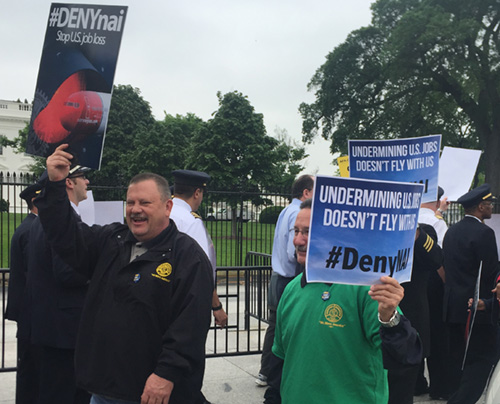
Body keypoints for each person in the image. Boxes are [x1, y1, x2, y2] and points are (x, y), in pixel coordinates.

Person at [35, 144, 214, 404]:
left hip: (152, 393)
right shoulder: (111, 239)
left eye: (145, 202)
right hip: (104, 389)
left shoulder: (188, 257)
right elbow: (67, 238)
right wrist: (55, 185)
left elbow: (190, 327)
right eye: (130, 202)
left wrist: (166, 373)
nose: (135, 209)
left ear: (167, 207)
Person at [271, 199, 422, 403]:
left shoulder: (365, 288)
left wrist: (390, 318)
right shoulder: (292, 288)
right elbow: (281, 360)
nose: (298, 240)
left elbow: (406, 356)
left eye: (307, 232)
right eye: (295, 231)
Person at [17, 166, 91, 404]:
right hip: (64, 332)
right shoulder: (63, 219)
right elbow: (68, 273)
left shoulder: (45, 219)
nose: (87, 182)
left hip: (50, 328)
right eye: (83, 177)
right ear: (68, 183)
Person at [443, 183, 499, 404]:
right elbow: (491, 273)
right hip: (477, 309)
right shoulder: (484, 233)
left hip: (453, 306)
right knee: (481, 362)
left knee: (459, 362)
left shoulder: (451, 230)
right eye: (489, 204)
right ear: (480, 207)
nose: (491, 208)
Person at [256, 174, 314, 387]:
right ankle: (275, 373)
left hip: (278, 276)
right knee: (285, 327)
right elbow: (294, 251)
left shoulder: (285, 210)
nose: (299, 237)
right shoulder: (300, 213)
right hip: (290, 278)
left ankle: (267, 371)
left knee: (276, 326)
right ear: (306, 193)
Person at [387, 223, 443, 404]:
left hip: (409, 318)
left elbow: (436, 259)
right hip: (369, 316)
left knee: (401, 390)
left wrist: (416, 231)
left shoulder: (422, 231)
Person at [169, 169, 227, 328]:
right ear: (197, 193)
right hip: (186, 303)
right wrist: (216, 306)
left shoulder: (162, 213)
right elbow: (203, 269)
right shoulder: (190, 221)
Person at [5, 177, 43, 404]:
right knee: (31, 373)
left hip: (29, 313)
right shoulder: (32, 230)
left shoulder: (28, 226)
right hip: (32, 314)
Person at [418, 186, 451, 400]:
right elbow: (439, 258)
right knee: (436, 333)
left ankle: (417, 382)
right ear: (437, 200)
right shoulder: (437, 223)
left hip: (408, 283)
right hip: (431, 281)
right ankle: (439, 386)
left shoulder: (409, 217)